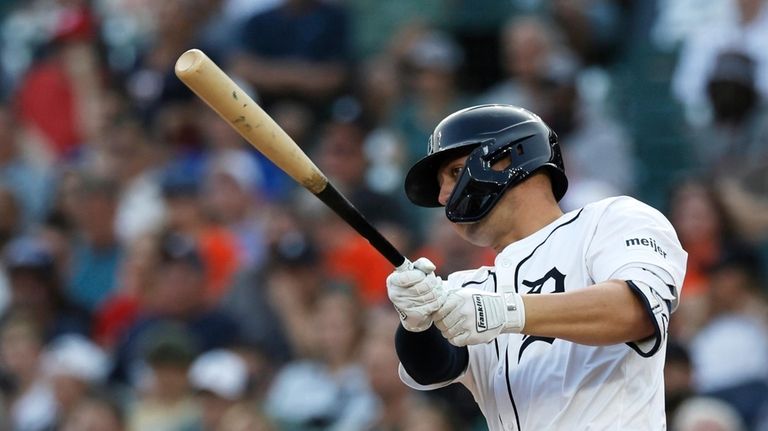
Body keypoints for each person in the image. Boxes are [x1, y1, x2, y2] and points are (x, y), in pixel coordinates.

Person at [386, 104, 688, 430]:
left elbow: (637, 312)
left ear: (509, 157)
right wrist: (416, 321)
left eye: (456, 172)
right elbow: (432, 368)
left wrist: (508, 312)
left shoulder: (609, 220)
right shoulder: (469, 288)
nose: (444, 196)